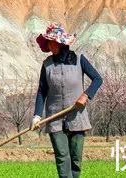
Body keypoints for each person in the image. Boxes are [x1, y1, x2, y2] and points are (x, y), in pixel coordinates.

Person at [31, 22, 103, 178]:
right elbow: (42, 91)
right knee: (63, 158)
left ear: (61, 43)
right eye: (48, 42)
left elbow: (97, 79)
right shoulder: (47, 65)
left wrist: (86, 95)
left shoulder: (79, 60)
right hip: (55, 118)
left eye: (52, 42)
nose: (50, 45)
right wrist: (36, 116)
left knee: (76, 159)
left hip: (77, 117)